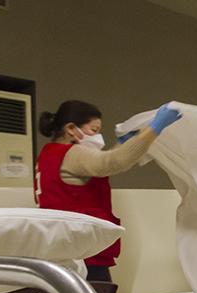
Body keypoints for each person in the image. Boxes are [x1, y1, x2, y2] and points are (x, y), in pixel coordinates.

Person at [34, 100, 182, 282]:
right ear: (71, 129)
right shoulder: (72, 154)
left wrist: (123, 144)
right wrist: (154, 129)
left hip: (59, 247)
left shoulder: (47, 155)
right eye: (94, 131)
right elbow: (111, 162)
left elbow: (100, 161)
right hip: (83, 250)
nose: (97, 136)